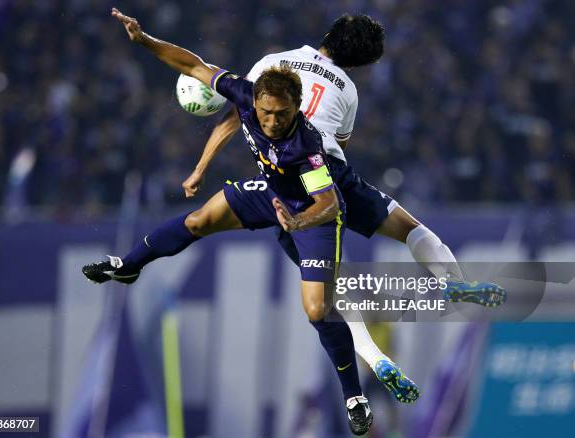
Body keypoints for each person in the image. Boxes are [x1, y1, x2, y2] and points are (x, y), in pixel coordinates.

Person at [181, 13, 506, 404]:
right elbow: (337, 148)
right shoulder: (348, 89)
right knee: (411, 229)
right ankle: (452, 282)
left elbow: (236, 118)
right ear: (360, 63)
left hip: (289, 188)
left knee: (332, 290)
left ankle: (375, 358)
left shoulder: (272, 63)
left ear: (329, 35)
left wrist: (200, 168)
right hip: (330, 174)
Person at [83, 8, 373, 435]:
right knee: (200, 219)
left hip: (311, 216)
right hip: (270, 193)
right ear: (253, 100)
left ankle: (354, 395)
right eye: (266, 113)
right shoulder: (244, 94)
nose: (272, 123)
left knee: (316, 309)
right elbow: (192, 64)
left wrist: (297, 223)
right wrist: (144, 39)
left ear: (296, 109)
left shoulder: (306, 146)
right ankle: (128, 266)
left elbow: (329, 203)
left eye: (282, 115)